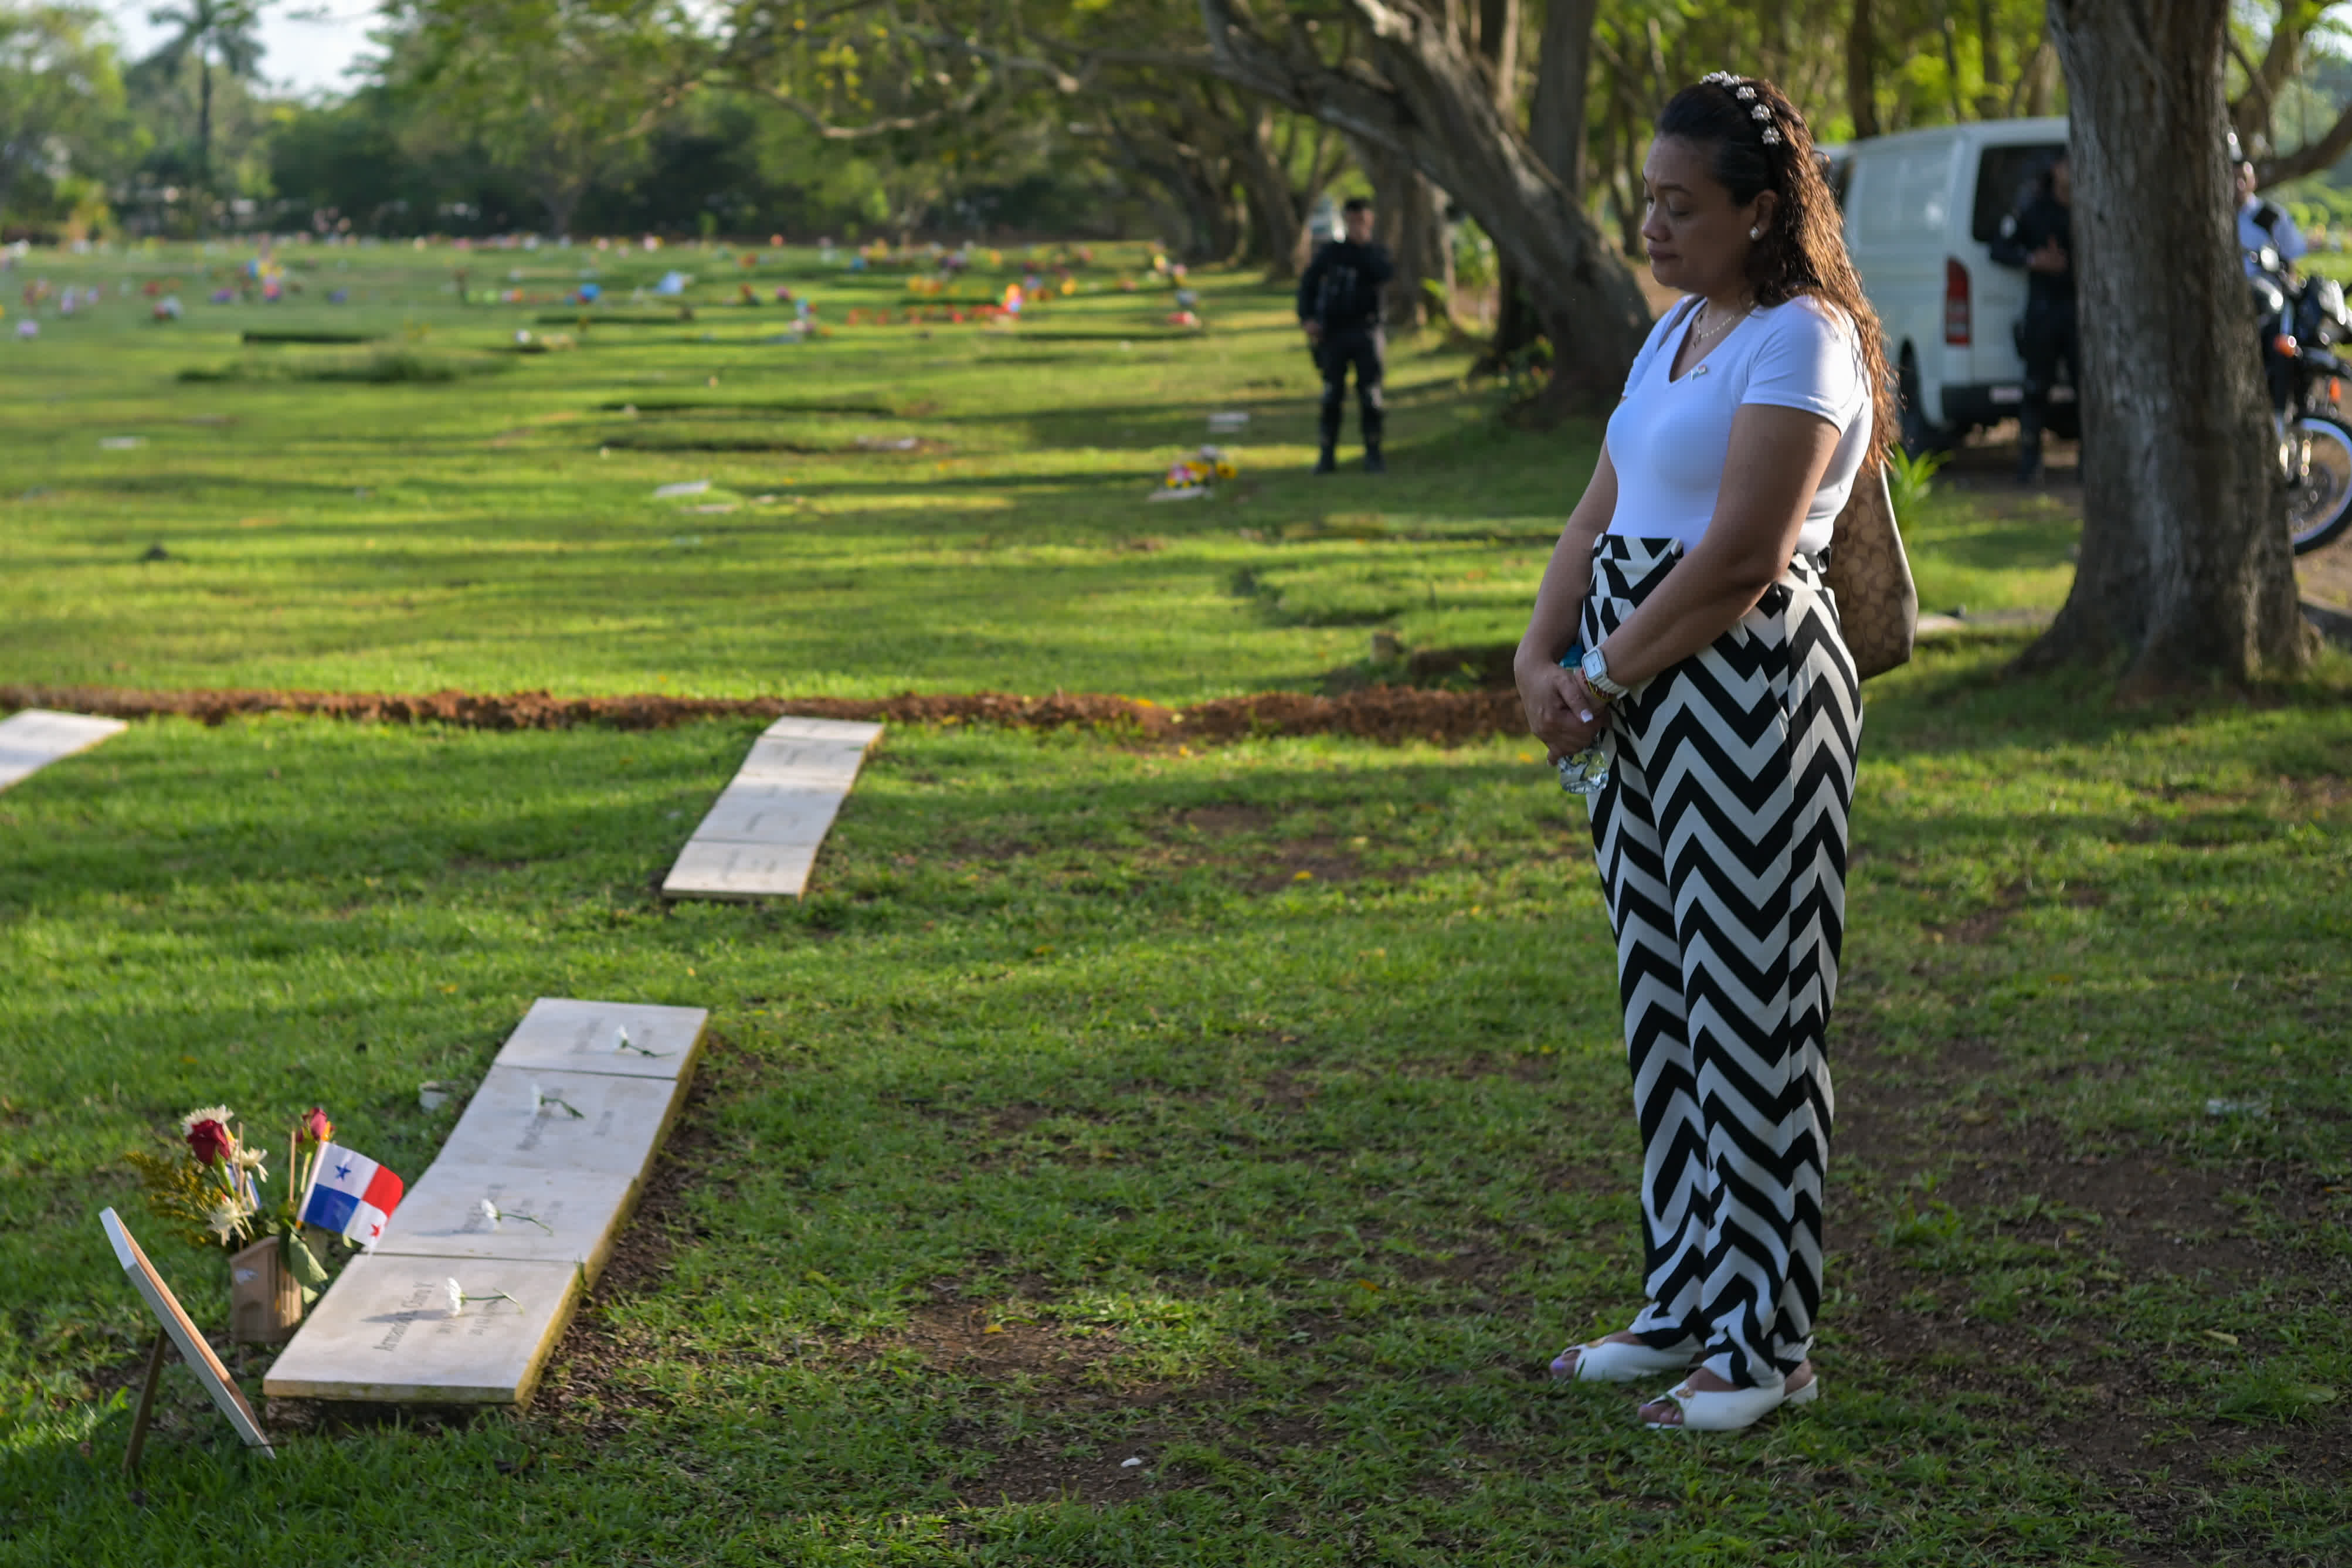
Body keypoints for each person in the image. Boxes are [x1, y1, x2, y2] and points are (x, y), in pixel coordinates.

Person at [1512, 70, 1891, 1434]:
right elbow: (1595, 513)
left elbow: (1739, 554)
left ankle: (1769, 1346)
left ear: (1760, 208)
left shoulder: (1803, 339)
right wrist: (1535, 654)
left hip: (1744, 693)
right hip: (1633, 696)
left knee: (1754, 1018)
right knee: (1664, 1008)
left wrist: (1602, 671)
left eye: (1681, 206)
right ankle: (1685, 1302)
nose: (1654, 229)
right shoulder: (1672, 335)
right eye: (1648, 203)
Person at [1988, 152, 2074, 484]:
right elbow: (1999, 248)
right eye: (2068, 164)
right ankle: (2031, 462)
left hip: (2079, 315)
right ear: (2055, 170)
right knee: (2036, 388)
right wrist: (2034, 259)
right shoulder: (2034, 210)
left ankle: (2088, 465)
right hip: (2043, 312)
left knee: (2086, 386)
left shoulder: (2088, 207)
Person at [1297, 198, 1394, 473]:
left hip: (1367, 332)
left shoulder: (1377, 254)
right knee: (1332, 394)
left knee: (1370, 395)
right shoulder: (1331, 254)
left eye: (1362, 222)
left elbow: (1386, 276)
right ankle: (1327, 454)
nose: (1357, 227)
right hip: (1334, 334)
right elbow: (1308, 285)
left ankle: (1373, 453)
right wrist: (1308, 319)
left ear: (1370, 222)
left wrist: (1364, 248)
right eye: (1352, 222)